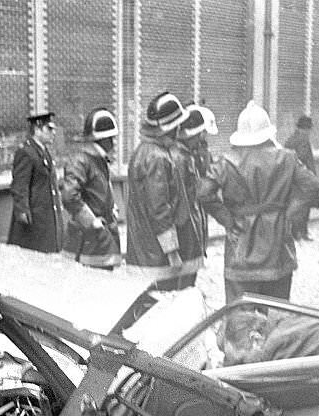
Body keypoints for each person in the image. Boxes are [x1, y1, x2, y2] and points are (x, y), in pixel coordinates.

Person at [198, 100, 319, 304]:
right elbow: (312, 185)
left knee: (240, 314)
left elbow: (203, 193)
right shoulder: (287, 158)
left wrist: (227, 220)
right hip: (278, 244)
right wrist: (289, 215)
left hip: (241, 244)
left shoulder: (225, 162)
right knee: (277, 314)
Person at [126, 92, 201, 290]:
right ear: (171, 128)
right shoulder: (158, 157)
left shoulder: (143, 151)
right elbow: (159, 208)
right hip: (157, 256)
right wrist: (172, 252)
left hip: (145, 248)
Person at [59, 108, 122, 269]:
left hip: (100, 236)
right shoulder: (80, 161)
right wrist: (92, 222)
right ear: (101, 140)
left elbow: (101, 190)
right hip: (86, 238)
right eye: (110, 139)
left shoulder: (98, 160)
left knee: (104, 279)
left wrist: (111, 208)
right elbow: (69, 196)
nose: (113, 144)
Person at [7, 112, 64, 254]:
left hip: (46, 218)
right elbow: (20, 186)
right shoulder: (26, 152)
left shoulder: (44, 152)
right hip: (34, 219)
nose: (54, 133)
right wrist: (22, 212)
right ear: (37, 129)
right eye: (49, 129)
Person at [174, 105, 212, 276]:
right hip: (184, 227)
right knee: (184, 280)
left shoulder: (187, 155)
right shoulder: (180, 158)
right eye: (199, 135)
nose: (201, 139)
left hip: (190, 225)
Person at [283, 114, 319, 240]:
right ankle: (300, 233)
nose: (309, 132)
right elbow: (303, 159)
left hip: (293, 179)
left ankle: (298, 232)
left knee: (298, 205)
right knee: (303, 207)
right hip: (301, 179)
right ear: (304, 129)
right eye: (308, 129)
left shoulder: (291, 140)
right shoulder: (302, 141)